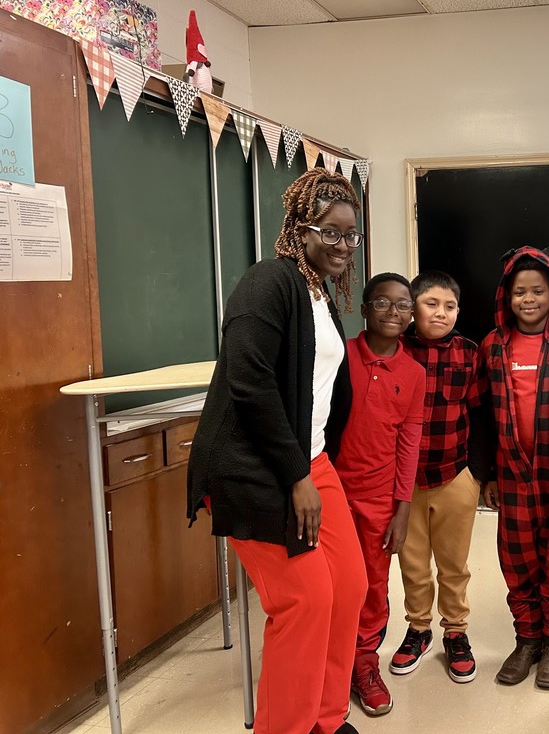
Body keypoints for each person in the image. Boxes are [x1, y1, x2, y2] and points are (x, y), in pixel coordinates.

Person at [186, 168, 367, 734]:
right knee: (304, 600)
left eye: (351, 235)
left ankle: (325, 720)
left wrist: (314, 463)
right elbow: (248, 379)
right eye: (330, 232)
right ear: (300, 230)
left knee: (350, 587)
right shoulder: (270, 281)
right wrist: (296, 474)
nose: (342, 245)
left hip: (308, 461)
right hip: (254, 469)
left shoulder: (320, 293)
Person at [474, 242, 549, 690]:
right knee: (517, 560)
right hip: (513, 475)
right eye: (519, 291)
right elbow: (481, 413)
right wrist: (486, 474)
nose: (528, 300)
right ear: (506, 295)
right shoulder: (492, 345)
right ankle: (528, 640)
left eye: (537, 290)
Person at [334, 273, 426, 716]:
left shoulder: (414, 373)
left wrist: (402, 507)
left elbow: (409, 443)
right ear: (365, 308)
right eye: (383, 303)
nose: (394, 312)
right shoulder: (339, 356)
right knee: (330, 584)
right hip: (329, 490)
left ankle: (364, 664)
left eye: (403, 305)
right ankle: (331, 668)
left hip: (379, 498)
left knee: (372, 585)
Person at [391, 270, 484, 683]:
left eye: (450, 306)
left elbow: (481, 413)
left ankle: (456, 632)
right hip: (404, 481)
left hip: (454, 474)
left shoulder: (469, 352)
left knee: (453, 562)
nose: (441, 313)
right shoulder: (395, 350)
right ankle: (418, 628)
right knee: (412, 561)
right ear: (412, 308)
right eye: (431, 304)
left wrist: (476, 474)